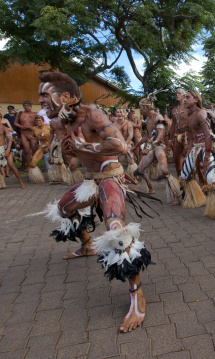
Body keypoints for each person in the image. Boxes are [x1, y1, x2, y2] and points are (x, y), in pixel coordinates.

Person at [39, 71, 153, 333]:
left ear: (65, 96)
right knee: (63, 209)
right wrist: (72, 153)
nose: (41, 101)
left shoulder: (92, 114)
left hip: (111, 177)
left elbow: (120, 146)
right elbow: (76, 162)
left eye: (44, 95)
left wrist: (86, 147)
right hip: (90, 180)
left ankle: (138, 298)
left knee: (117, 231)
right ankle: (88, 246)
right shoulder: (58, 122)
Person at [180, 90, 215, 223]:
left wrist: (206, 157)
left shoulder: (201, 114)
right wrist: (187, 156)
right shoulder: (189, 115)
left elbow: (208, 136)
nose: (185, 100)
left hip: (206, 148)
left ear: (196, 100)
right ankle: (195, 199)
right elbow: (191, 138)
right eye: (184, 97)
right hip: (195, 149)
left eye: (188, 97)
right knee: (184, 175)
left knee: (211, 179)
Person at [131, 94, 180, 204]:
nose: (140, 110)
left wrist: (148, 148)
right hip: (150, 146)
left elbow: (160, 134)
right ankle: (150, 188)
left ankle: (176, 196)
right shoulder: (147, 119)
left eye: (141, 108)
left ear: (146, 108)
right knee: (139, 170)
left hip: (159, 146)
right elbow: (146, 136)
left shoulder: (158, 117)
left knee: (164, 170)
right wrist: (136, 146)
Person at [169, 88, 189, 178]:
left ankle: (190, 178)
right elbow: (173, 125)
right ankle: (180, 177)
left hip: (187, 135)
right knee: (176, 159)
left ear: (184, 95)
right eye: (176, 93)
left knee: (189, 159)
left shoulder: (188, 108)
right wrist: (170, 139)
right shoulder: (174, 110)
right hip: (177, 135)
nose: (177, 95)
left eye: (179, 93)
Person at [0, 123, 25, 189]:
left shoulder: (4, 128)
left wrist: (8, 149)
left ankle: (21, 182)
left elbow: (9, 139)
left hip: (4, 148)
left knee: (11, 165)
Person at [14, 101, 37, 171]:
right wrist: (21, 126)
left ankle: (34, 164)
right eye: (25, 105)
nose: (26, 107)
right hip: (24, 133)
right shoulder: (20, 114)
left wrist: (32, 127)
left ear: (31, 106)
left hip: (32, 134)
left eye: (28, 105)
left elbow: (39, 124)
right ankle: (29, 165)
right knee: (26, 150)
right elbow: (15, 123)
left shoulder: (35, 114)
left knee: (34, 150)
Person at [27, 115, 50, 183]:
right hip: (41, 147)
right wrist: (33, 138)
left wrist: (46, 135)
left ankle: (56, 177)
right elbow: (34, 137)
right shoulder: (34, 129)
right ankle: (37, 179)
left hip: (50, 146)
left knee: (51, 163)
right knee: (33, 163)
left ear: (43, 121)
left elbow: (56, 135)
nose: (38, 122)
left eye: (40, 120)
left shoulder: (48, 128)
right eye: (36, 121)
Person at [47, 115, 69, 184]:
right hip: (56, 142)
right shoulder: (52, 122)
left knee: (67, 160)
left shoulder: (65, 119)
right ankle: (56, 178)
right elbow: (51, 133)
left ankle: (70, 177)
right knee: (55, 160)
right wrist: (49, 143)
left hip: (65, 140)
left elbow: (69, 130)